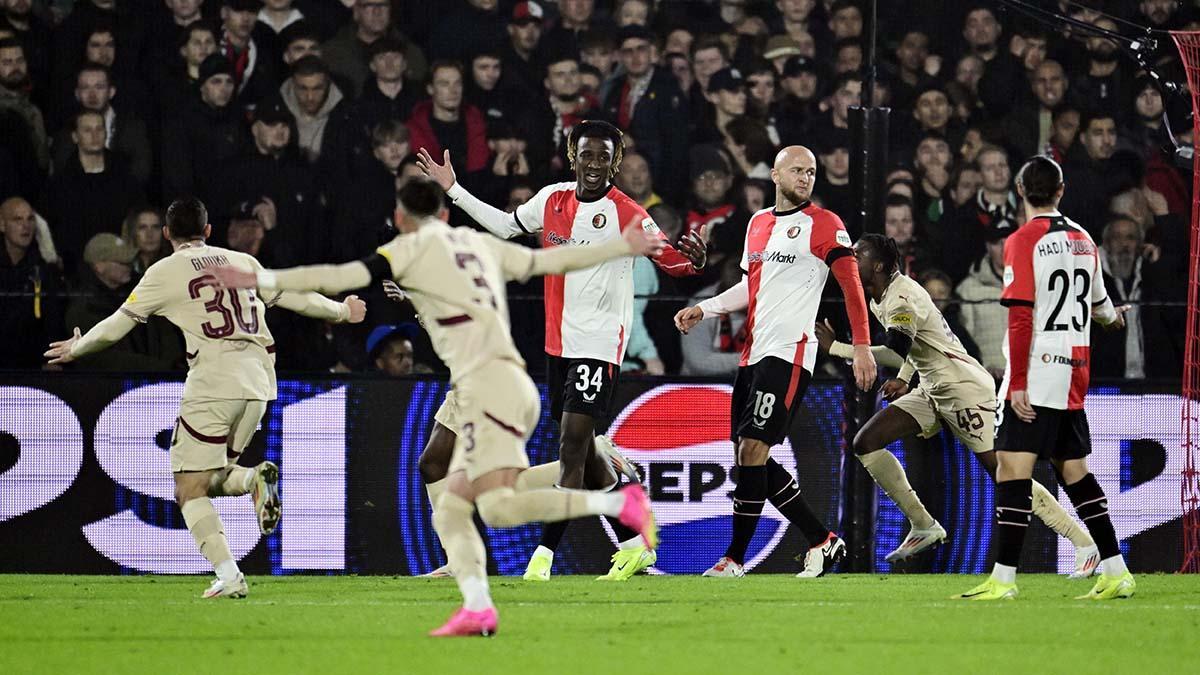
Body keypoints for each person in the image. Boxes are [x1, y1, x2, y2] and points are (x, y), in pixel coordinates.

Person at [209, 179, 661, 636]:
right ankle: (474, 596)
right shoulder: (474, 244)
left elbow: (334, 275)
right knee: (437, 472)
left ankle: (610, 483)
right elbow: (549, 260)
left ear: (403, 218)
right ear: (444, 216)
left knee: (495, 501)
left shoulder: (408, 254)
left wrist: (261, 278)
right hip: (483, 378)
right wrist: (621, 245)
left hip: (488, 383)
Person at [416, 119, 706, 581]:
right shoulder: (550, 200)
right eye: (586, 155)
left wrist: (693, 262)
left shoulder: (628, 212)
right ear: (573, 156)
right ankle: (634, 538)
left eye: (604, 156)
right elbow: (507, 226)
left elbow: (671, 259)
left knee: (570, 446)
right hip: (560, 346)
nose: (594, 165)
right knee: (584, 447)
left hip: (599, 344)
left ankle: (542, 559)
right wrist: (454, 190)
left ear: (616, 160)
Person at [44, 197, 366, 599]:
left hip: (214, 380)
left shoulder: (164, 271)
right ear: (208, 231)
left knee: (188, 488)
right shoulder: (242, 262)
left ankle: (230, 574)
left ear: (166, 235)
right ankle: (252, 479)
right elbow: (295, 296)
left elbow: (115, 326)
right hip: (261, 382)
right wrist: (340, 311)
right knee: (212, 478)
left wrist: (77, 349)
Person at [815, 234, 1098, 574]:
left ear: (877, 265)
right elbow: (914, 343)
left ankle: (1084, 544)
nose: (851, 257)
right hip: (933, 388)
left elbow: (896, 348)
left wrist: (837, 349)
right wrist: (905, 379)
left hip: (963, 390)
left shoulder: (901, 298)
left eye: (857, 253)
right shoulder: (881, 295)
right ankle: (923, 525)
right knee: (866, 443)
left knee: (1005, 473)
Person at [673, 145, 876, 578]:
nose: (806, 178)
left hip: (790, 352)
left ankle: (734, 559)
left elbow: (852, 286)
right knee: (750, 457)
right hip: (753, 355)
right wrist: (705, 309)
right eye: (798, 170)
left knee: (753, 449)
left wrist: (861, 345)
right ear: (775, 174)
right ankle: (822, 540)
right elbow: (752, 288)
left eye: (812, 171)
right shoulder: (758, 223)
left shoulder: (824, 224)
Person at [955, 156, 1134, 601]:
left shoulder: (1022, 240)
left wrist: (1017, 383)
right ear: (1061, 190)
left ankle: (1003, 580)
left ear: (1020, 191)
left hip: (1037, 371)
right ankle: (1116, 571)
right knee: (1075, 472)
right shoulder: (1084, 239)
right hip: (1075, 372)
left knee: (1012, 473)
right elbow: (1104, 309)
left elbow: (1020, 318)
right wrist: (1113, 319)